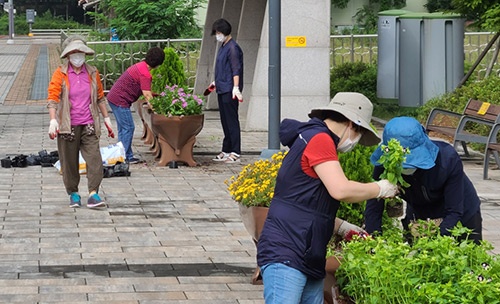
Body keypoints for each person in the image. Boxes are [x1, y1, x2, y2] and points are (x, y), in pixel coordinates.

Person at [256, 92, 399, 304]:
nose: (356, 142)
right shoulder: (320, 139)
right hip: (287, 251)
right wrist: (379, 188)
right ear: (352, 124)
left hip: (307, 253)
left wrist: (341, 226)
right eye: (359, 134)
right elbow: (340, 190)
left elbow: (304, 202)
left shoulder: (312, 138)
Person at [364, 116, 483, 244]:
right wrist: (374, 241)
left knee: (468, 255)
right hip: (419, 211)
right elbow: (374, 207)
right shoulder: (384, 165)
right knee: (416, 256)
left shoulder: (447, 160)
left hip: (460, 210)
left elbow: (454, 211)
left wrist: (436, 244)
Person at [47, 35, 115, 208]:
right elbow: (53, 98)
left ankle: (93, 193)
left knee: (94, 160)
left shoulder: (92, 73)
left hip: (89, 124)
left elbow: (100, 98)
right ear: (68, 56)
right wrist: (53, 120)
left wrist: (107, 119)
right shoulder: (60, 73)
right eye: (74, 53)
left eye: (81, 53)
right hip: (67, 126)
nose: (78, 57)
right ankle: (74, 193)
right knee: (69, 163)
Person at [106, 47, 165, 163]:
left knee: (123, 129)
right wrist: (156, 110)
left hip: (113, 98)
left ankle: (123, 155)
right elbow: (147, 95)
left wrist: (155, 94)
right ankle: (125, 157)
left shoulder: (140, 66)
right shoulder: (145, 74)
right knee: (128, 128)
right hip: (120, 100)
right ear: (158, 63)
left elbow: (143, 89)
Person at [209, 18, 244, 164]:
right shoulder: (223, 46)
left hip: (230, 89)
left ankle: (235, 151)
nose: (217, 35)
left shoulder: (233, 48)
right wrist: (216, 81)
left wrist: (235, 87)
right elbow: (223, 68)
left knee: (231, 120)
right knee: (224, 120)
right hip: (222, 87)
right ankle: (227, 149)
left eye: (218, 32)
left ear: (224, 32)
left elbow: (236, 69)